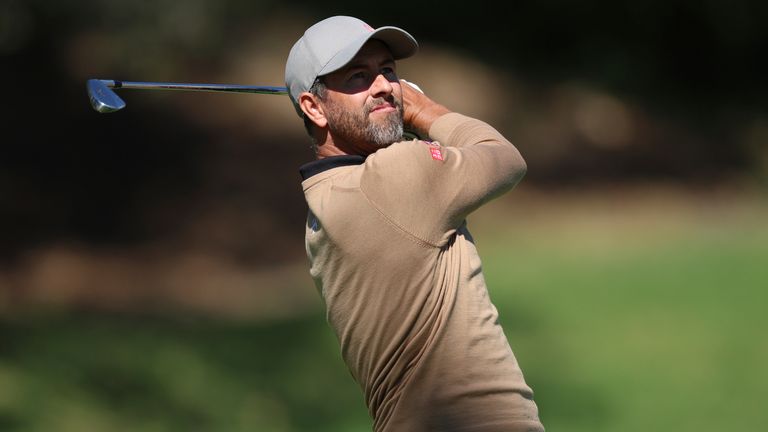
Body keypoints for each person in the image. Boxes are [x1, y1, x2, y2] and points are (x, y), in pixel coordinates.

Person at [285, 15, 545, 432]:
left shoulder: (326, 204)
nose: (385, 86)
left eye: (388, 70)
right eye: (357, 77)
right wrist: (425, 111)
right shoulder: (395, 177)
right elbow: (504, 157)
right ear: (314, 107)